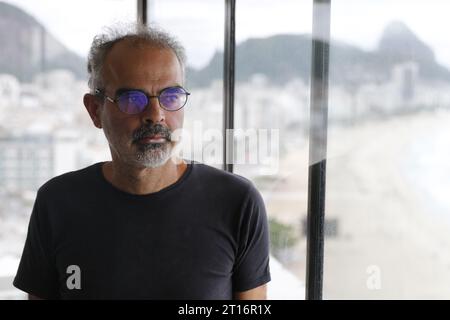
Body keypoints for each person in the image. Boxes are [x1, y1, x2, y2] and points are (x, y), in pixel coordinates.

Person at [13, 23, 271, 300]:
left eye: (170, 96)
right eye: (132, 99)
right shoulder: (58, 202)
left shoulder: (236, 202)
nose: (155, 114)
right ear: (95, 110)